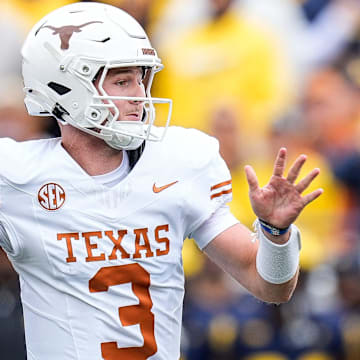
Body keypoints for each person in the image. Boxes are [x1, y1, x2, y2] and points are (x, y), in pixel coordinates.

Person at [0, 2, 323, 360]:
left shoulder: (178, 162)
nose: (139, 94)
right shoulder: (15, 177)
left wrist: (275, 233)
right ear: (64, 86)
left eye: (141, 78)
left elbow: (270, 286)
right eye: (122, 81)